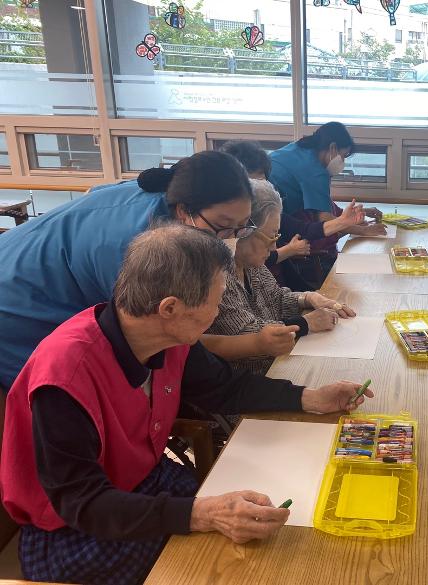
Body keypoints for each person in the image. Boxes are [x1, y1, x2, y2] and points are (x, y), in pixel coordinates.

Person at [0, 224, 373, 585]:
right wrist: (201, 514)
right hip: (76, 529)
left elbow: (224, 388)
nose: (217, 313)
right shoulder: (65, 377)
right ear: (170, 308)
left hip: (145, 483)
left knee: (259, 541)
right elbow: (82, 503)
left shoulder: (166, 336)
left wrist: (310, 397)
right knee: (218, 565)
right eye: (216, 301)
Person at [0, 151, 266, 391]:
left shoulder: (173, 205)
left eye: (241, 226)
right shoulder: (134, 245)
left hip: (41, 277)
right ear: (184, 211)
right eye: (223, 225)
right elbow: (147, 334)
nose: (231, 237)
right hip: (17, 304)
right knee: (55, 389)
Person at [204, 179, 356, 375]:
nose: (274, 247)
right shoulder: (217, 275)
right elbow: (245, 333)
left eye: (277, 236)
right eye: (271, 236)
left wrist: (309, 298)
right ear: (241, 231)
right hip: (249, 379)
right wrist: (307, 323)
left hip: (278, 364)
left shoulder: (251, 264)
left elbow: (276, 298)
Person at [268, 122, 386, 289]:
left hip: (273, 213)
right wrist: (365, 231)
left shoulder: (302, 149)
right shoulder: (315, 170)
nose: (342, 162)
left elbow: (326, 210)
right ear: (332, 148)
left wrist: (363, 213)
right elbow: (327, 221)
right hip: (273, 221)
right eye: (343, 156)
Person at [220, 140, 365, 268]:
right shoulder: (225, 238)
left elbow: (304, 229)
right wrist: (289, 250)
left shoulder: (269, 209)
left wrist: (343, 222)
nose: (272, 247)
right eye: (253, 185)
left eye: (263, 183)